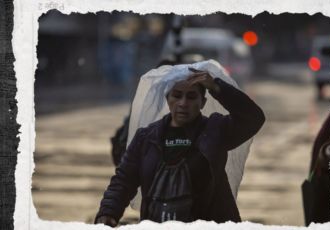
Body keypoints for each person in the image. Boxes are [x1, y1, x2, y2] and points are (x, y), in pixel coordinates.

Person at [95, 66, 265, 226]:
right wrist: (107, 215)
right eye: (177, 95)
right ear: (167, 99)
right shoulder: (146, 138)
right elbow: (123, 181)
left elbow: (253, 118)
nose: (183, 103)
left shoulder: (215, 131)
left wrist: (216, 86)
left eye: (191, 97)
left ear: (203, 102)